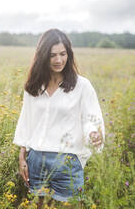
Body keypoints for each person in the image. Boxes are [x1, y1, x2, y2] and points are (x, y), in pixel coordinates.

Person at [13, 29, 105, 206]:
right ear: (42, 56)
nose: (58, 60)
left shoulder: (82, 86)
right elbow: (27, 121)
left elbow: (91, 118)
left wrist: (94, 133)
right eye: (52, 55)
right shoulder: (33, 86)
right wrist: (22, 157)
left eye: (63, 54)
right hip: (36, 160)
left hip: (67, 163)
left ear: (69, 54)